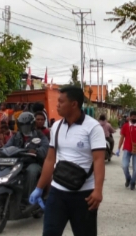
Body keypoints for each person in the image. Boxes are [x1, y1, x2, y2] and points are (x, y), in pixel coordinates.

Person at [28, 85, 106, 236]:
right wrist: (39, 187)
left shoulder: (92, 127)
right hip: (57, 193)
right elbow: (50, 159)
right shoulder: (56, 126)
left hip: (84, 195)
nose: (57, 105)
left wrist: (98, 190)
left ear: (74, 104)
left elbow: (99, 161)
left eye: (61, 102)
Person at [5, 111, 49, 199]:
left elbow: (45, 148)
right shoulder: (16, 136)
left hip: (34, 162)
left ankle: (28, 198)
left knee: (31, 171)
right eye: (22, 125)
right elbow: (7, 146)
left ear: (32, 125)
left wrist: (36, 151)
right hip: (18, 163)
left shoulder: (40, 135)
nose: (25, 128)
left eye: (27, 125)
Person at [117, 108, 136, 190]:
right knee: (124, 166)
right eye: (133, 116)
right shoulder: (125, 126)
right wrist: (118, 148)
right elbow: (122, 137)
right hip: (127, 149)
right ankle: (128, 178)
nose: (134, 118)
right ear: (129, 117)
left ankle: (133, 182)